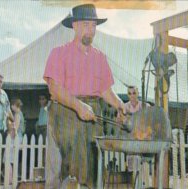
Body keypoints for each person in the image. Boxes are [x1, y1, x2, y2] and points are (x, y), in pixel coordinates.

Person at [43, 4, 126, 189]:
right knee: (57, 173)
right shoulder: (59, 53)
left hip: (91, 118)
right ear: (75, 26)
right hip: (62, 116)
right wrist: (79, 106)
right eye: (86, 25)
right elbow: (54, 89)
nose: (91, 30)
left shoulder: (100, 57)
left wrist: (121, 105)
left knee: (93, 173)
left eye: (94, 26)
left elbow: (106, 91)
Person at [3, 97, 25, 184]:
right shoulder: (20, 114)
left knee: (8, 158)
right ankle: (11, 179)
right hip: (19, 138)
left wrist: (10, 135)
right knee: (12, 159)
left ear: (15, 105)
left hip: (15, 139)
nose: (11, 107)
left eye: (12, 105)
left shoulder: (17, 114)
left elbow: (15, 128)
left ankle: (10, 179)